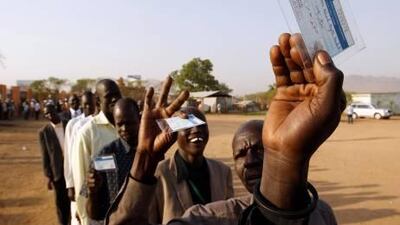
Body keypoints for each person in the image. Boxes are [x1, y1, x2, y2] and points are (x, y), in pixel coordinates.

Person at [105, 33, 345, 225]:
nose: (251, 160)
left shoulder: (320, 214)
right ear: (175, 133)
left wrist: (285, 158)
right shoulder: (201, 216)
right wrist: (144, 159)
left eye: (260, 149)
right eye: (241, 153)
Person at [149, 106, 233, 223]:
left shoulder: (223, 172)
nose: (196, 130)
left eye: (201, 125)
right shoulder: (159, 174)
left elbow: (232, 217)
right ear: (174, 133)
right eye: (187, 126)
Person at [73, 79, 122, 225]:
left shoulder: (129, 127)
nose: (114, 99)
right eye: (108, 96)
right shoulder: (87, 133)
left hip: (129, 212)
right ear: (98, 101)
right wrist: (85, 219)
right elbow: (82, 183)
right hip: (101, 216)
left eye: (117, 95)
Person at [86, 97, 140, 221]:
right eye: (120, 124)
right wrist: (93, 193)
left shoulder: (152, 151)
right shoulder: (106, 156)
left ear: (140, 119)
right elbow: (94, 214)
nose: (125, 129)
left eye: (129, 123)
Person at [64, 91, 96, 225]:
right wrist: (70, 184)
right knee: (78, 217)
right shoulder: (74, 124)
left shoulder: (99, 123)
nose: (88, 107)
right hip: (78, 178)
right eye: (85, 105)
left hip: (93, 179)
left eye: (91, 104)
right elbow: (68, 156)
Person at [38, 104, 71, 225]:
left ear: (56, 111)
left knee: (73, 199)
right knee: (60, 202)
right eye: (46, 114)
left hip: (72, 169)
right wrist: (48, 176)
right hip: (57, 173)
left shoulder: (69, 124)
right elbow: (45, 156)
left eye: (51, 112)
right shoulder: (44, 132)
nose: (50, 115)